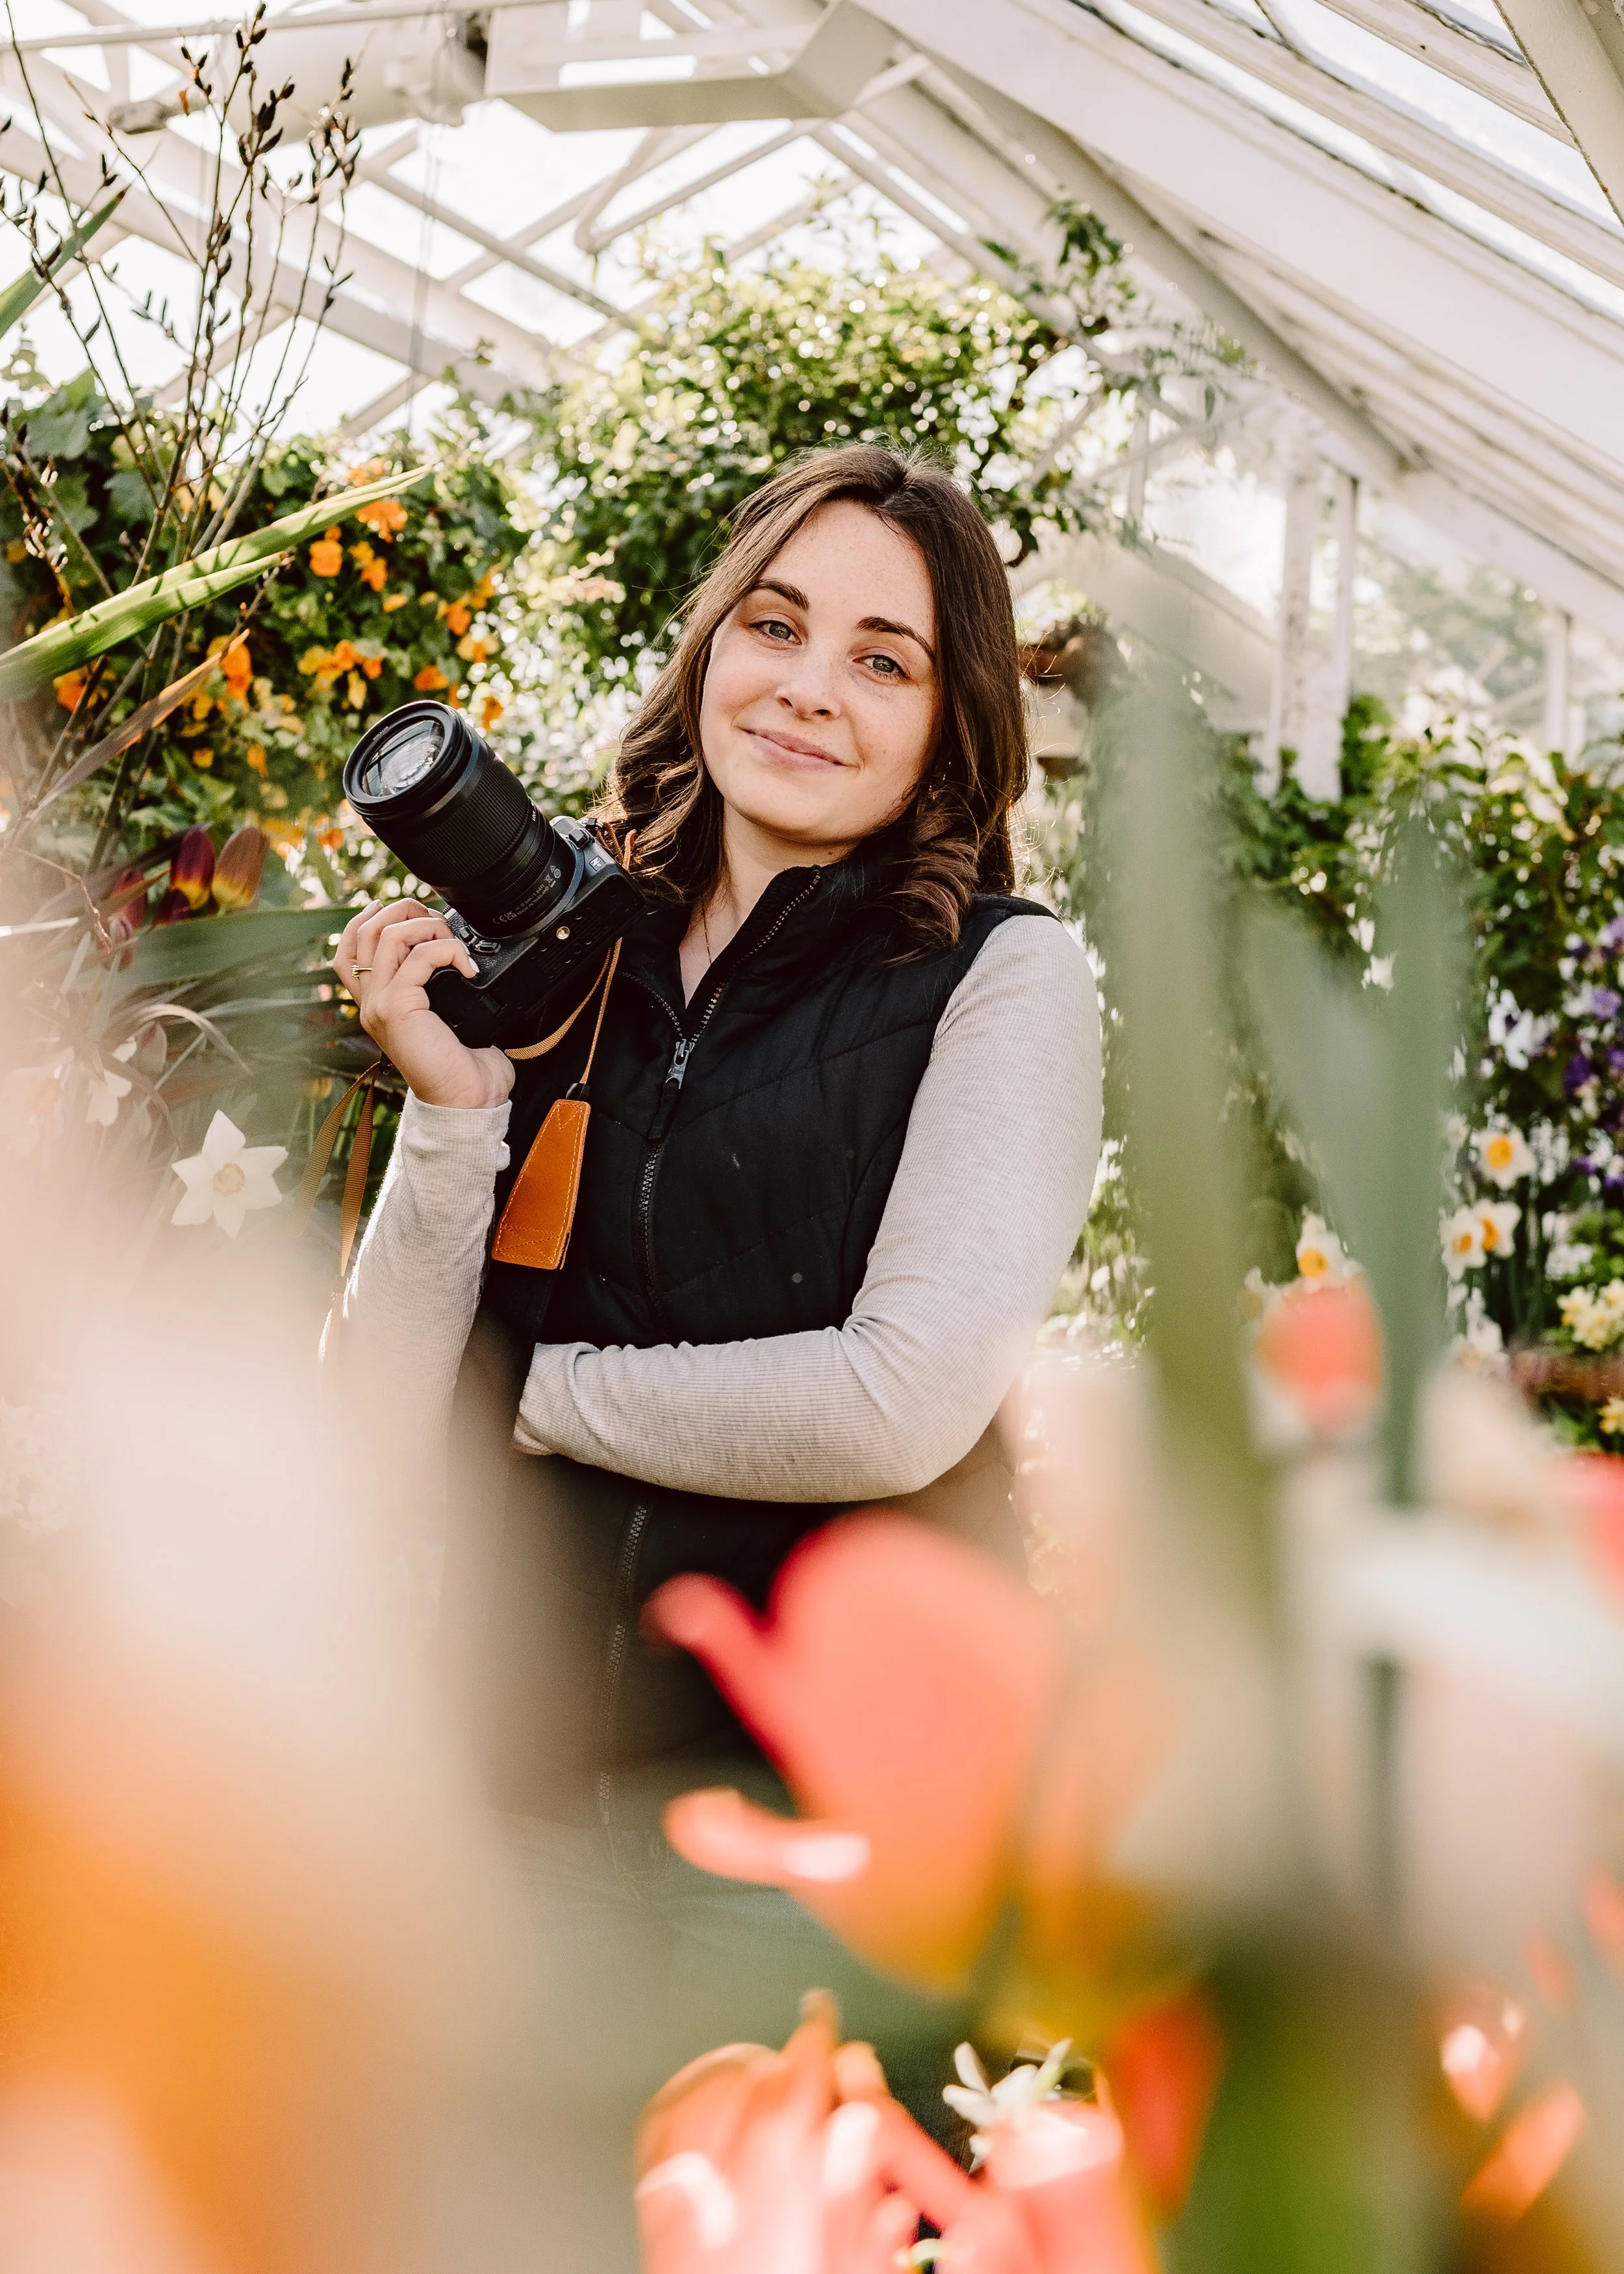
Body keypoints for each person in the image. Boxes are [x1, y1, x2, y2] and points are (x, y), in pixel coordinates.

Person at [333, 444, 1102, 2267]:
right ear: (709, 653)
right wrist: (452, 1118)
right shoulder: (572, 959)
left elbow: (893, 1397)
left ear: (951, 723)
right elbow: (374, 1412)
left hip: (811, 1851)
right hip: (508, 1806)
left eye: (882, 656)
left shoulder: (1001, 979)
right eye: (776, 625)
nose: (810, 686)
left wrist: (517, 1406)